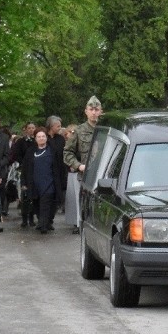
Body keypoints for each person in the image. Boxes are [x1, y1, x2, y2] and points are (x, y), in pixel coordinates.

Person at [63, 95, 102, 234]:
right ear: (86, 111)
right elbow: (67, 153)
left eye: (96, 109)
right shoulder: (79, 131)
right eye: (91, 109)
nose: (94, 112)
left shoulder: (106, 130)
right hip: (85, 176)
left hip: (104, 177)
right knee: (86, 207)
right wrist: (79, 166)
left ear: (101, 111)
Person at [21, 127, 62, 234]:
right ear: (35, 138)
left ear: (46, 138)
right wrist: (24, 183)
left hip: (49, 183)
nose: (41, 138)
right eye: (39, 137)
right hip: (34, 184)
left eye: (43, 136)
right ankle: (44, 222)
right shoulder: (30, 152)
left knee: (46, 203)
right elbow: (25, 168)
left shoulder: (53, 151)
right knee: (37, 204)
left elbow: (59, 167)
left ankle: (43, 226)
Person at [46, 116, 67, 215]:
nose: (60, 128)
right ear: (51, 126)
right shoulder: (44, 138)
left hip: (59, 169)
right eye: (58, 126)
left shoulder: (60, 139)